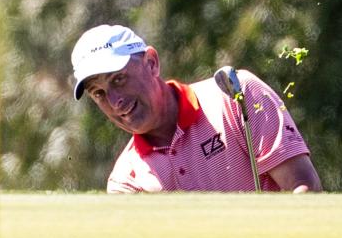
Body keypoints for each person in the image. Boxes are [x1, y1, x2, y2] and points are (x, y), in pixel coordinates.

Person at [72, 24, 322, 193]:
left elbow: (304, 188)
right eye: (99, 93)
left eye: (118, 79)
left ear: (151, 63)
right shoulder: (126, 182)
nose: (115, 101)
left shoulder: (236, 96)